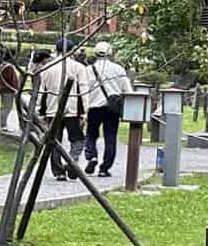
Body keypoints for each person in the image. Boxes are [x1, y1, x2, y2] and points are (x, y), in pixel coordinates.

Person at [31, 42, 85, 180]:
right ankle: (72, 162)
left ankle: (59, 171)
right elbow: (83, 90)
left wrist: (39, 110)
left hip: (52, 109)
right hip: (73, 110)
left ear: (57, 50)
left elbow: (42, 91)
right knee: (78, 140)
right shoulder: (78, 67)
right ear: (73, 50)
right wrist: (85, 111)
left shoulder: (48, 68)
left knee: (54, 141)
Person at [83, 41, 133, 177]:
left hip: (94, 107)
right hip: (112, 108)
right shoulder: (119, 69)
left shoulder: (88, 70)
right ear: (110, 53)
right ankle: (104, 168)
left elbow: (83, 90)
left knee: (91, 135)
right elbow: (128, 90)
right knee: (110, 137)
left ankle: (91, 156)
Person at [0, 57, 23, 131]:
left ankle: (3, 125)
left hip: (3, 89)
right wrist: (15, 89)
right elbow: (11, 80)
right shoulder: (9, 67)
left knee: (4, 107)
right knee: (7, 107)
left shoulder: (2, 65)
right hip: (8, 90)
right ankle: (3, 126)